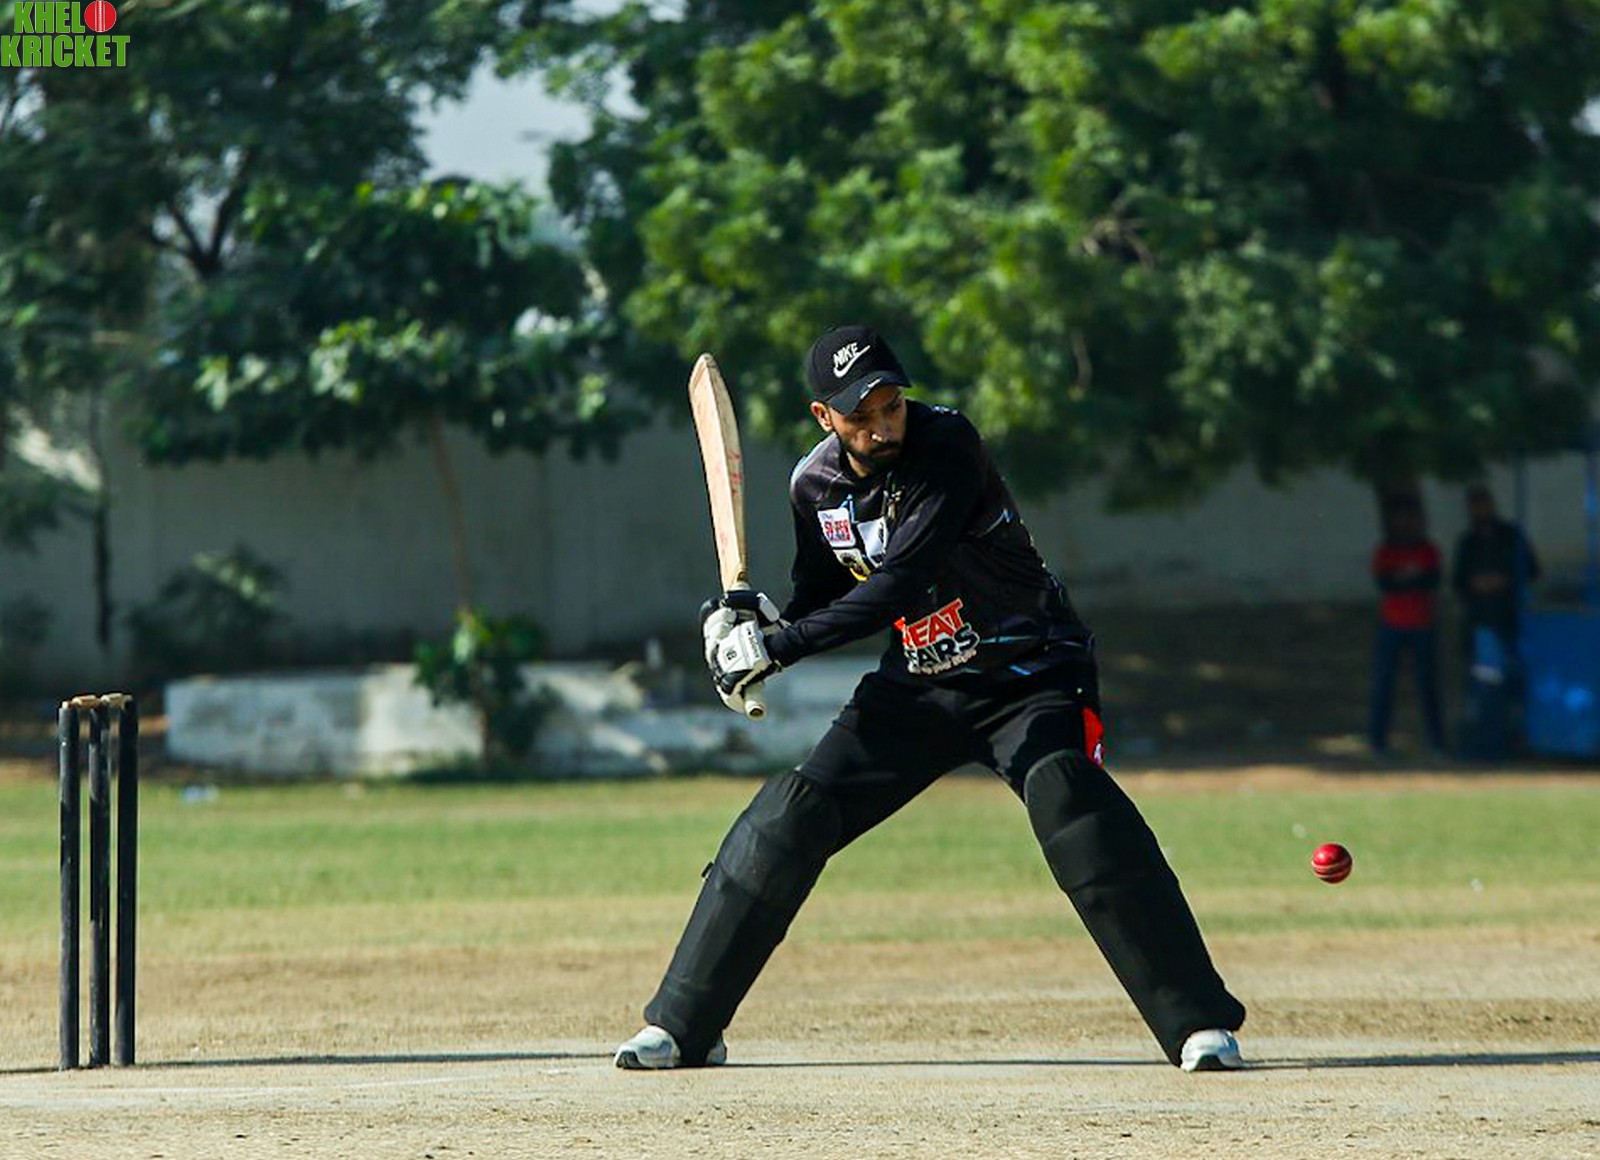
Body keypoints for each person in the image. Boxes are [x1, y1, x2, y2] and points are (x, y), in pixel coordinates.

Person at [615, 325, 1246, 1074]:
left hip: (1032, 674)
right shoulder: (814, 487)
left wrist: (777, 649)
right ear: (824, 417)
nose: (883, 426)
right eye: (861, 415)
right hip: (917, 686)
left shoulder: (947, 445)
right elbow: (823, 595)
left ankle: (1198, 1024)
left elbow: (898, 584)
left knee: (1068, 796)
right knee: (790, 814)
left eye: (891, 405)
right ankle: (683, 1027)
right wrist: (750, 623)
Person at [1451, 484, 1541, 757]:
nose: (1480, 510)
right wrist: (1476, 584)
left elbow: (1532, 570)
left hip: (1512, 619)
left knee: (1516, 684)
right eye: (1475, 505)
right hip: (1483, 623)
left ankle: (1515, 741)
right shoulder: (1468, 542)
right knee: (1486, 685)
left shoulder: (1511, 536)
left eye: (1483, 504)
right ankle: (1488, 744)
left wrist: (1505, 580)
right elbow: (1458, 581)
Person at [1367, 495, 1446, 756]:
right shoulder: (1385, 551)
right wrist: (1410, 580)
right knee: (1384, 683)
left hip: (1422, 623)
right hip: (1392, 623)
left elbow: (1431, 581)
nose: (1405, 524)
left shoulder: (1428, 550)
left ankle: (1436, 740)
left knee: (1427, 684)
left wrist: (1404, 580)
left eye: (1410, 518)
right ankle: (1377, 740)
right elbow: (1386, 584)